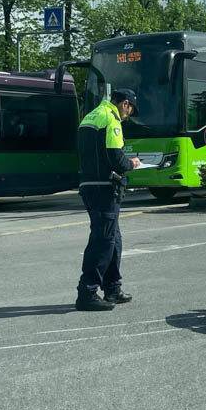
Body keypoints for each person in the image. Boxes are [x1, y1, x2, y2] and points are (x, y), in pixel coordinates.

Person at [75, 88, 142, 311]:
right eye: (130, 110)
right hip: (105, 187)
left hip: (89, 184)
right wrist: (131, 163)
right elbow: (116, 159)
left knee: (113, 238)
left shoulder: (91, 115)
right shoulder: (111, 119)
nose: (128, 115)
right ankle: (88, 292)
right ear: (125, 104)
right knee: (103, 240)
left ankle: (112, 287)